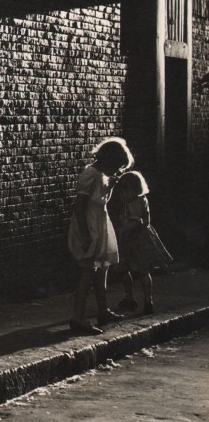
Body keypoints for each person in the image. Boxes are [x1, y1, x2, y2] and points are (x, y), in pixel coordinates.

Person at [67, 137, 133, 335]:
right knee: (87, 273)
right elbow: (80, 207)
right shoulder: (90, 174)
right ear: (109, 160)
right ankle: (77, 318)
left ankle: (103, 311)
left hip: (100, 222)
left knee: (102, 269)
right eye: (117, 166)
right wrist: (86, 235)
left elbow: (101, 199)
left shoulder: (103, 175)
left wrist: (111, 185)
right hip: (89, 224)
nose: (117, 171)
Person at [114, 169, 172, 315]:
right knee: (139, 270)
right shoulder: (139, 200)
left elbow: (135, 222)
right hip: (138, 240)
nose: (121, 195)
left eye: (123, 191)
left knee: (132, 269)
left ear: (132, 190)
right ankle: (144, 299)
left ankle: (135, 298)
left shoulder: (134, 204)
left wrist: (121, 231)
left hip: (134, 240)